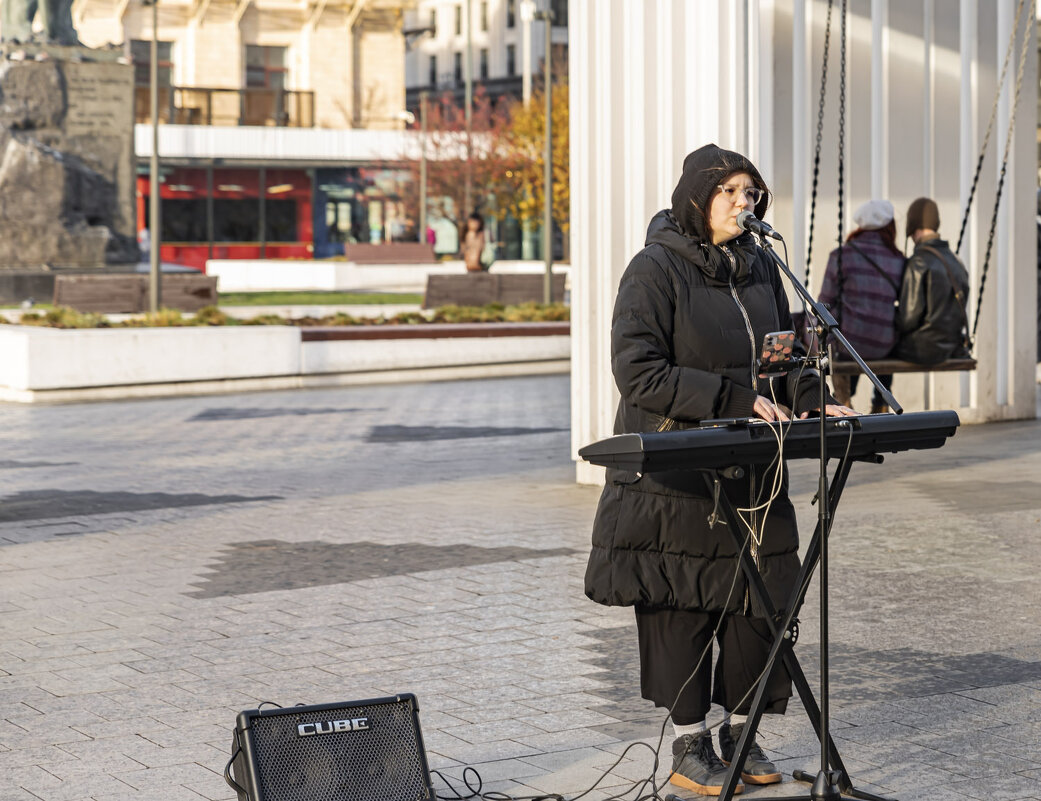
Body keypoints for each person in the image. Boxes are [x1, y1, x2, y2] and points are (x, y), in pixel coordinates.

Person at [584, 144, 854, 797]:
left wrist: (813, 398)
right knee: (682, 606)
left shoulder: (762, 269)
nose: (744, 203)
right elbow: (638, 370)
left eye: (751, 193)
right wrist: (730, 400)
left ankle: (738, 731)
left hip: (752, 475)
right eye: (730, 191)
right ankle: (689, 742)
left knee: (754, 609)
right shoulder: (654, 270)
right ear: (697, 197)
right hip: (675, 479)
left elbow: (781, 361)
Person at [817, 199, 906, 413]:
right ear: (890, 227)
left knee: (840, 334)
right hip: (883, 345)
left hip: (849, 345)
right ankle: (881, 402)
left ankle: (843, 400)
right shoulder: (899, 260)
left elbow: (824, 303)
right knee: (880, 323)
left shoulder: (841, 256)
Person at [894, 197, 971, 364]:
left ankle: (881, 391)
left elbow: (908, 318)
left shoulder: (919, 262)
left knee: (878, 345)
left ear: (914, 229)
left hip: (922, 349)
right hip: (952, 347)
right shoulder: (956, 262)